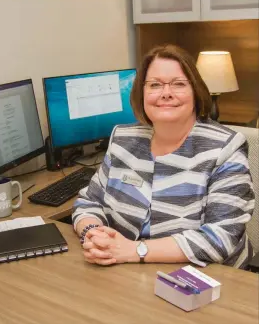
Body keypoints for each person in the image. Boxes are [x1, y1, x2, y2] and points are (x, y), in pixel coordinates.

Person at [72, 44, 255, 269]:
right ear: (142, 93)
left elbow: (221, 237)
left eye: (178, 84)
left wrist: (134, 250)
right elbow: (89, 201)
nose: (166, 93)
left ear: (196, 92)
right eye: (155, 85)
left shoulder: (224, 148)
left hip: (210, 279)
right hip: (127, 273)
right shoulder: (123, 139)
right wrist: (93, 235)